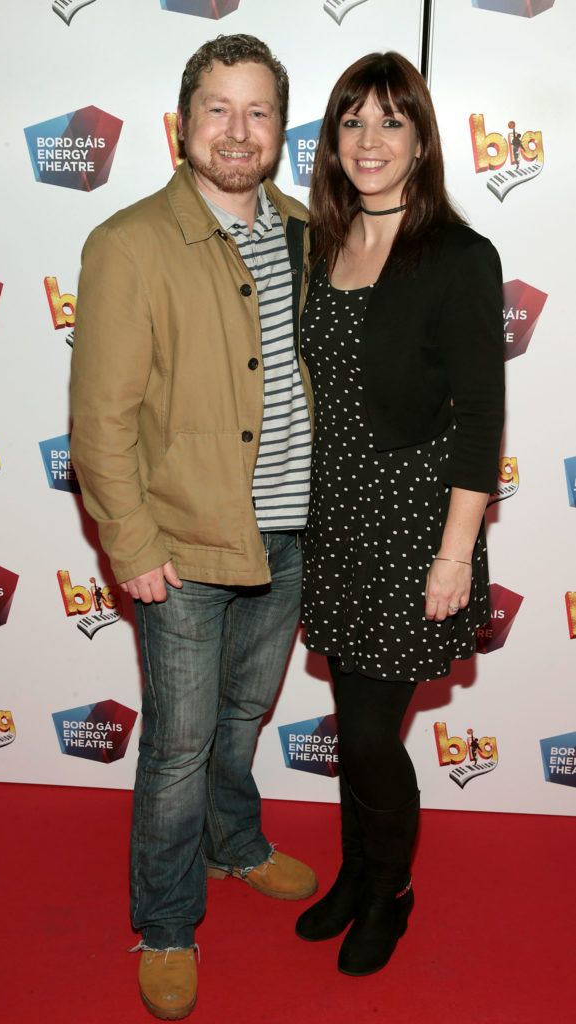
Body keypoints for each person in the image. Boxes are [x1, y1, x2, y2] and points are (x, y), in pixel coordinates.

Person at [71, 34, 316, 1021]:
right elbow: (101, 419)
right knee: (175, 744)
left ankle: (236, 842)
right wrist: (130, 546)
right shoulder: (129, 244)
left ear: (278, 131)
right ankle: (167, 923)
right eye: (217, 108)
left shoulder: (307, 230)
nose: (237, 131)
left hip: (291, 535)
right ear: (182, 123)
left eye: (258, 112)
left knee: (241, 717)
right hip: (183, 544)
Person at [295, 52, 504, 977]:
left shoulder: (459, 256)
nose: (369, 141)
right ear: (332, 140)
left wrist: (453, 558)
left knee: (374, 732)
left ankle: (391, 891)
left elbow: (479, 416)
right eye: (351, 122)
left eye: (390, 121)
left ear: (421, 138)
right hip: (335, 513)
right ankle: (353, 872)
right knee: (352, 719)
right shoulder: (317, 241)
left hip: (418, 525)